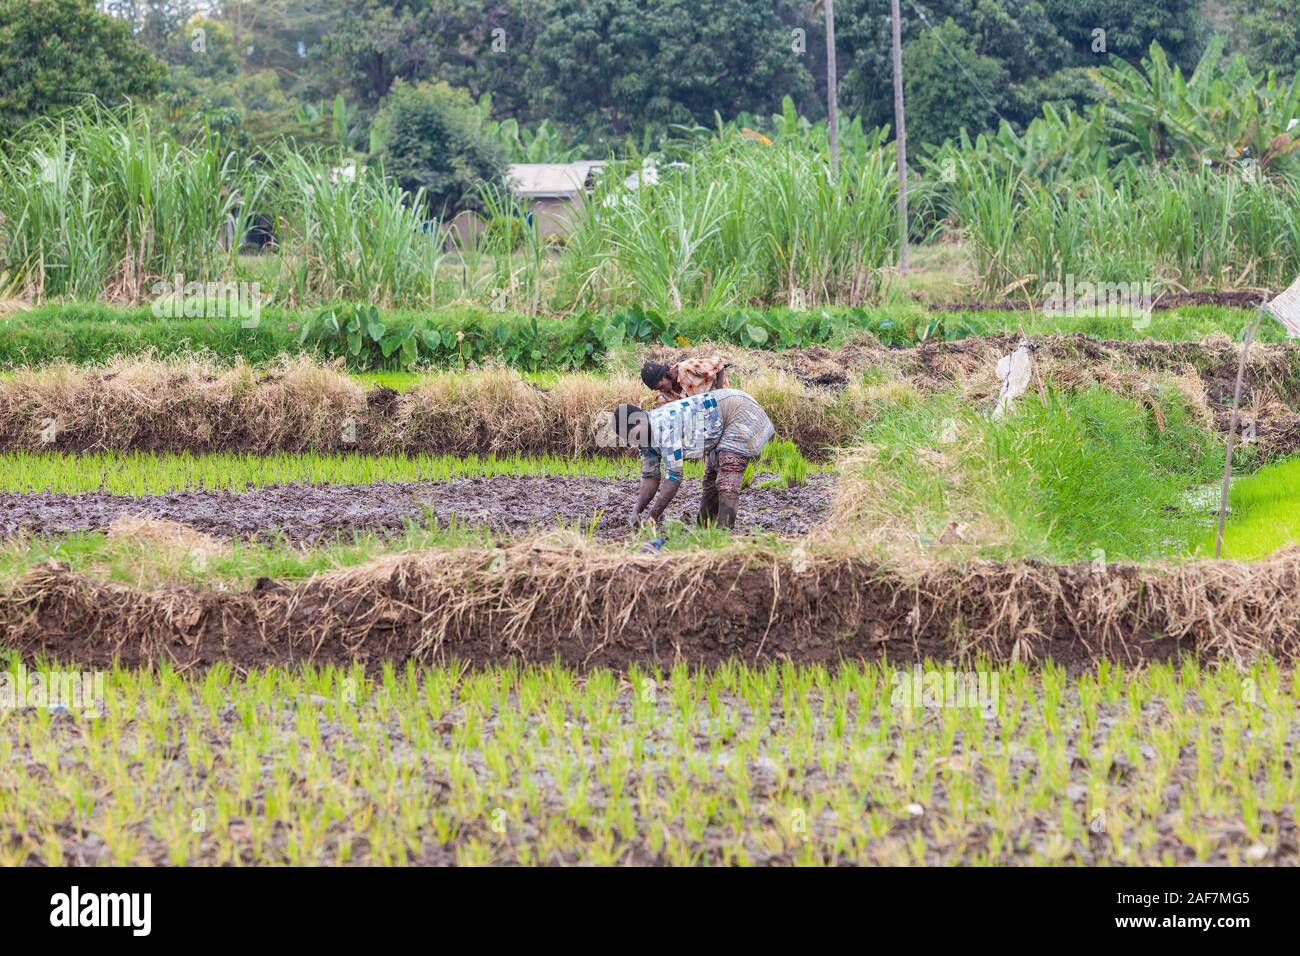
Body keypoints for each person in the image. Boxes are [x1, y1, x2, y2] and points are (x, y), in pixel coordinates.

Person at [611, 388, 774, 530]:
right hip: (717, 424)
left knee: (727, 475)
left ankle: (723, 532)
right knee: (710, 477)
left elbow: (674, 477)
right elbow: (650, 477)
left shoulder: (664, 428)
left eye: (629, 435)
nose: (630, 441)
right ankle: (704, 529)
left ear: (639, 421)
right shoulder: (644, 439)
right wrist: (636, 511)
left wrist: (652, 517)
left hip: (738, 411)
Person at [640, 355, 728, 404]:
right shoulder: (668, 392)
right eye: (658, 389)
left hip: (716, 393)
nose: (662, 390)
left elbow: (719, 363)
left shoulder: (689, 367)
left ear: (665, 375)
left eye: (661, 387)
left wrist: (719, 391)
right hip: (701, 403)